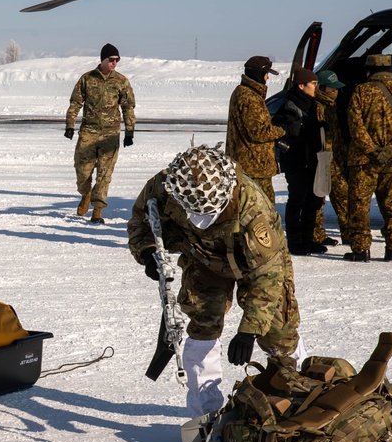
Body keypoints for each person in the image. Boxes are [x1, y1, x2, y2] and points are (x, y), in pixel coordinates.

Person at [127, 145, 304, 418]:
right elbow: (140, 221)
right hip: (202, 258)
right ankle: (204, 410)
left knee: (277, 331)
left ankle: (296, 396)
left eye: (208, 215)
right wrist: (148, 252)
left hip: (256, 265)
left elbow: (267, 276)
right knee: (203, 324)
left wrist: (249, 331)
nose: (201, 222)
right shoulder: (165, 186)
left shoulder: (254, 209)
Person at [343, 54, 392, 262]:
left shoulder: (360, 91)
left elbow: (354, 126)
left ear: (369, 70)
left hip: (363, 160)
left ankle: (361, 250)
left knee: (359, 205)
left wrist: (372, 150)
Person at [63, 43, 136, 224]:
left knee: (105, 174)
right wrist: (70, 125)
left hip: (110, 135)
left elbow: (128, 107)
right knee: (82, 170)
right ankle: (86, 194)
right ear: (102, 59)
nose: (114, 63)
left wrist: (129, 132)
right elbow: (75, 103)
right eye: (111, 59)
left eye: (117, 60)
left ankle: (97, 210)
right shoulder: (87, 79)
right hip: (88, 132)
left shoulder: (121, 81)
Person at [272, 65, 327, 255]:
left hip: (312, 160)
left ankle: (308, 239)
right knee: (297, 200)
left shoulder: (312, 105)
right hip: (296, 161)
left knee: (313, 201)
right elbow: (284, 132)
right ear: (301, 86)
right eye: (313, 83)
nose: (316, 87)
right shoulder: (289, 106)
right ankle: (295, 241)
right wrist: (301, 131)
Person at [225, 56, 288, 204]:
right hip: (254, 165)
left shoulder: (244, 93)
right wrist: (283, 130)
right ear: (258, 74)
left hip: (250, 163)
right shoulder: (249, 97)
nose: (267, 78)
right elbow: (259, 133)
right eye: (266, 73)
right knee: (262, 207)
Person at [311, 69, 348, 247]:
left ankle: (349, 232)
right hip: (323, 160)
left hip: (335, 160)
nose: (335, 92)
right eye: (331, 89)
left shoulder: (332, 107)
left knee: (343, 196)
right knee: (319, 198)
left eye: (336, 89)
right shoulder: (317, 107)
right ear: (322, 87)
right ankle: (316, 234)